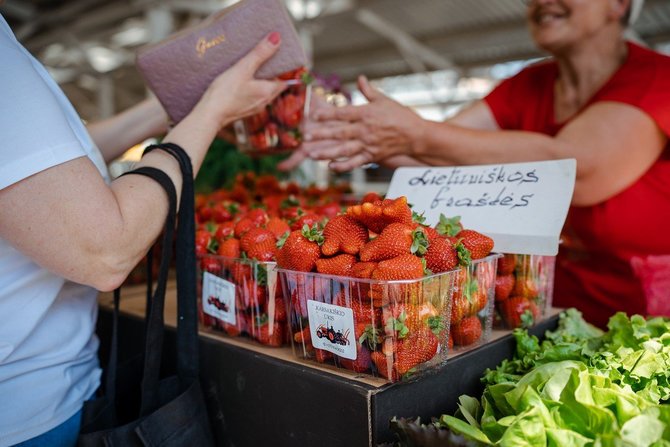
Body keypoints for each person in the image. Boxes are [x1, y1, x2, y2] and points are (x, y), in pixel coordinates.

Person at [280, 0, 670, 328]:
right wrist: (340, 130)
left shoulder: (656, 78)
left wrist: (414, 133)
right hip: (541, 306)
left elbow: (578, 170)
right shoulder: (529, 84)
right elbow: (432, 154)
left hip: (641, 320)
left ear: (620, 3)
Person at [0, 12, 287, 446]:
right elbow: (106, 252)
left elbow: (53, 164)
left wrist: (181, 102)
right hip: (28, 418)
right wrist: (211, 112)